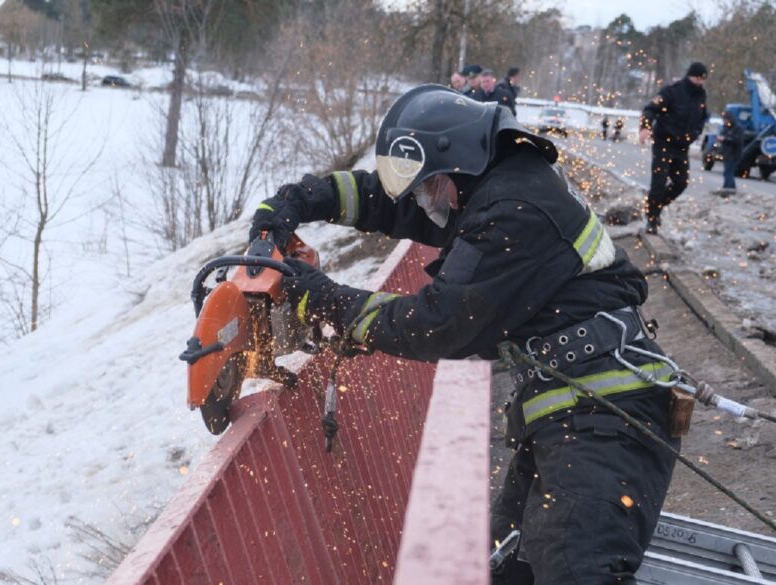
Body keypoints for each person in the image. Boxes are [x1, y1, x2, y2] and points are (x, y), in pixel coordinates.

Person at [249, 84, 680, 584]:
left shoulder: (512, 213)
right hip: (575, 410)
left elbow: (436, 326)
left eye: (426, 185)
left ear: (455, 168)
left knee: (573, 571)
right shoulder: (495, 185)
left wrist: (321, 297)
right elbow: (392, 205)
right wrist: (300, 200)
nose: (422, 201)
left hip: (608, 420)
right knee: (503, 565)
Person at [639, 61, 709, 234]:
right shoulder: (673, 90)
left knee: (681, 183)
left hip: (682, 146)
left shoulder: (701, 95)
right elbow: (650, 109)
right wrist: (645, 127)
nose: (700, 82)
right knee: (659, 182)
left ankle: (655, 205)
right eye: (697, 78)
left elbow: (702, 118)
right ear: (690, 76)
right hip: (663, 142)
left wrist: (696, 134)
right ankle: (652, 219)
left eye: (703, 79)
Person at [714, 109, 743, 197]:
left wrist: (725, 139)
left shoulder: (737, 128)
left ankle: (727, 189)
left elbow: (737, 140)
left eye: (725, 119)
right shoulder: (726, 127)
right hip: (726, 153)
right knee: (728, 172)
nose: (724, 121)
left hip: (733, 154)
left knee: (728, 172)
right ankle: (731, 189)